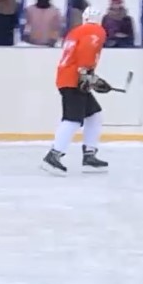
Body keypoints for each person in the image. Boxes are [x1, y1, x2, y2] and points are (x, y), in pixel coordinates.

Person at [41, 18, 110, 175]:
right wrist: (87, 75)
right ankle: (53, 156)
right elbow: (87, 51)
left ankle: (89, 156)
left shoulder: (76, 31)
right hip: (74, 81)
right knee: (72, 119)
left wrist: (92, 78)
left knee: (94, 115)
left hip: (70, 78)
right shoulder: (95, 31)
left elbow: (76, 56)